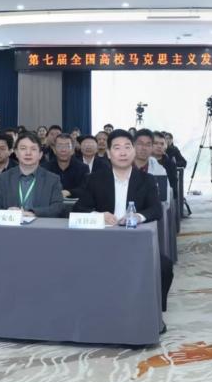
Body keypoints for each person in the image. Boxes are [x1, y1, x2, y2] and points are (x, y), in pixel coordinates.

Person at [73, 129, 173, 311]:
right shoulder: (95, 179)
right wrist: (99, 215)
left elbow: (156, 209)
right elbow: (78, 209)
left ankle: (155, 315)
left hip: (135, 243)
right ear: (108, 153)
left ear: (133, 151)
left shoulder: (147, 180)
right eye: (117, 148)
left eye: (127, 147)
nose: (123, 152)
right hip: (101, 243)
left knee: (164, 266)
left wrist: (137, 216)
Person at [0, 132, 65, 217]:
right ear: (16, 153)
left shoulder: (52, 179)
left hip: (40, 224)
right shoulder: (3, 178)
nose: (28, 153)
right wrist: (7, 213)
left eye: (33, 149)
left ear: (40, 154)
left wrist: (34, 213)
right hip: (11, 224)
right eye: (23, 148)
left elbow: (58, 208)